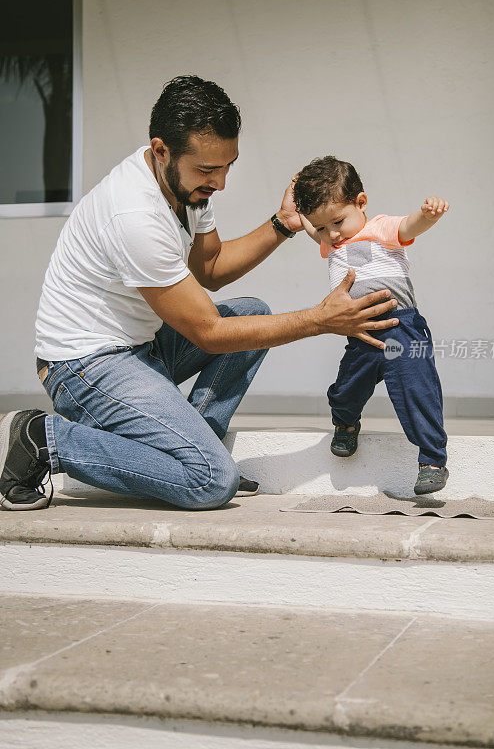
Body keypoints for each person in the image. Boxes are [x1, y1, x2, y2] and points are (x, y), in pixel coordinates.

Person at [0, 77, 399, 512]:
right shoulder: (134, 215)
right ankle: (44, 440)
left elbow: (209, 269)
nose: (221, 182)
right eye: (208, 170)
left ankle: (195, 445)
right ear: (161, 151)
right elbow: (208, 332)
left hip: (141, 349)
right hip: (84, 366)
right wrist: (319, 320)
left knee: (252, 313)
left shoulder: (185, 189)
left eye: (228, 165)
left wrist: (283, 223)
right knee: (211, 482)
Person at [293, 156, 449, 495]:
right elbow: (309, 224)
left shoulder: (377, 228)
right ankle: (345, 424)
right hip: (359, 331)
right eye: (321, 228)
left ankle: (432, 460)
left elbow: (408, 227)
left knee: (416, 389)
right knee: (348, 387)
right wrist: (297, 200)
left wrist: (427, 214)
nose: (331, 234)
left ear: (360, 203)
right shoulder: (328, 241)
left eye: (337, 221)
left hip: (400, 327)